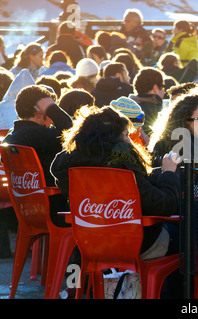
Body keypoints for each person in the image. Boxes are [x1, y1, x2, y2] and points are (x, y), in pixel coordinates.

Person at [50, 104, 182, 270]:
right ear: (115, 139)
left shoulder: (73, 165)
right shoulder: (123, 163)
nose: (129, 140)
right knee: (189, 238)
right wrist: (169, 173)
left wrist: (155, 174)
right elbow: (163, 206)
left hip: (90, 244)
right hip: (135, 245)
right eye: (126, 135)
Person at [2, 85, 73, 227]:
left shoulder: (11, 137)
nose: (53, 121)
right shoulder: (38, 134)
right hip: (53, 210)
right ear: (40, 112)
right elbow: (70, 132)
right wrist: (51, 107)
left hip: (26, 210)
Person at [129, 67, 165, 136]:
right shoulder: (155, 109)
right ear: (155, 88)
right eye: (163, 87)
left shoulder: (127, 107)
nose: (164, 91)